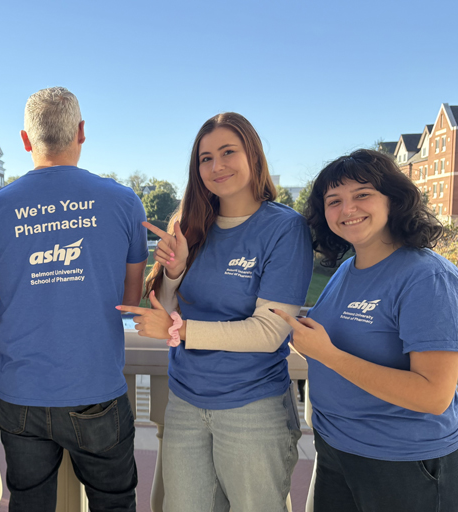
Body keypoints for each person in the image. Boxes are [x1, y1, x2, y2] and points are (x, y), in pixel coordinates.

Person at [122, 112, 312, 511]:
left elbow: (269, 332)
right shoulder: (189, 223)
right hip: (185, 403)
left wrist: (185, 330)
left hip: (253, 408)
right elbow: (169, 308)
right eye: (205, 158)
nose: (216, 166)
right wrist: (173, 274)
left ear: (253, 155)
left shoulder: (284, 228)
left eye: (228, 151)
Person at [0, 87, 148, 511]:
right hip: (96, 388)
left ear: (25, 139)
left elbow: (0, 302)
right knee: (114, 504)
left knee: (29, 504)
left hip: (21, 394)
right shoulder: (124, 202)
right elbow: (129, 298)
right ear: (81, 132)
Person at [273, 149, 458, 512]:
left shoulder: (426, 277)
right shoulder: (347, 269)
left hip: (402, 464)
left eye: (362, 195)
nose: (348, 209)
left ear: (393, 198)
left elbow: (433, 395)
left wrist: (327, 354)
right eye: (334, 201)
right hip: (336, 451)